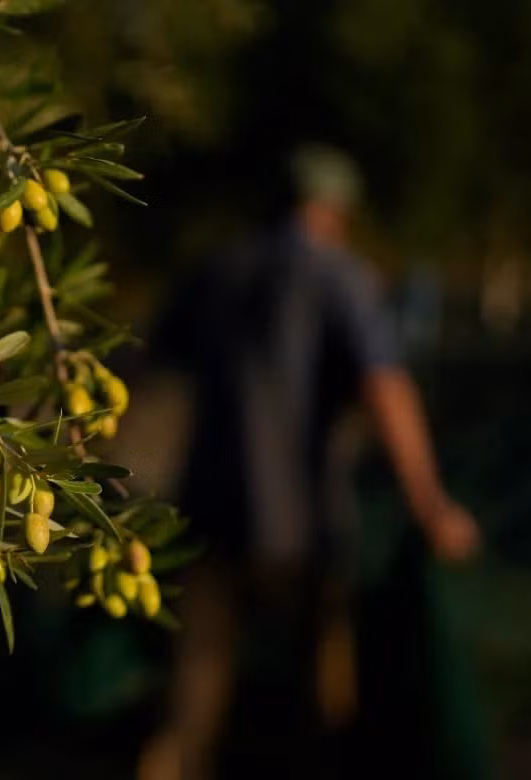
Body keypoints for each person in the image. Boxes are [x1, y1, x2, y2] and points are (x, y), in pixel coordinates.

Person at [136, 144, 480, 779]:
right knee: (318, 683)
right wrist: (428, 502)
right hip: (302, 519)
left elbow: (152, 364)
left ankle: (175, 765)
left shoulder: (218, 268)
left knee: (196, 677)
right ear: (334, 210)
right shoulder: (339, 275)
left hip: (208, 507)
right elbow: (387, 389)